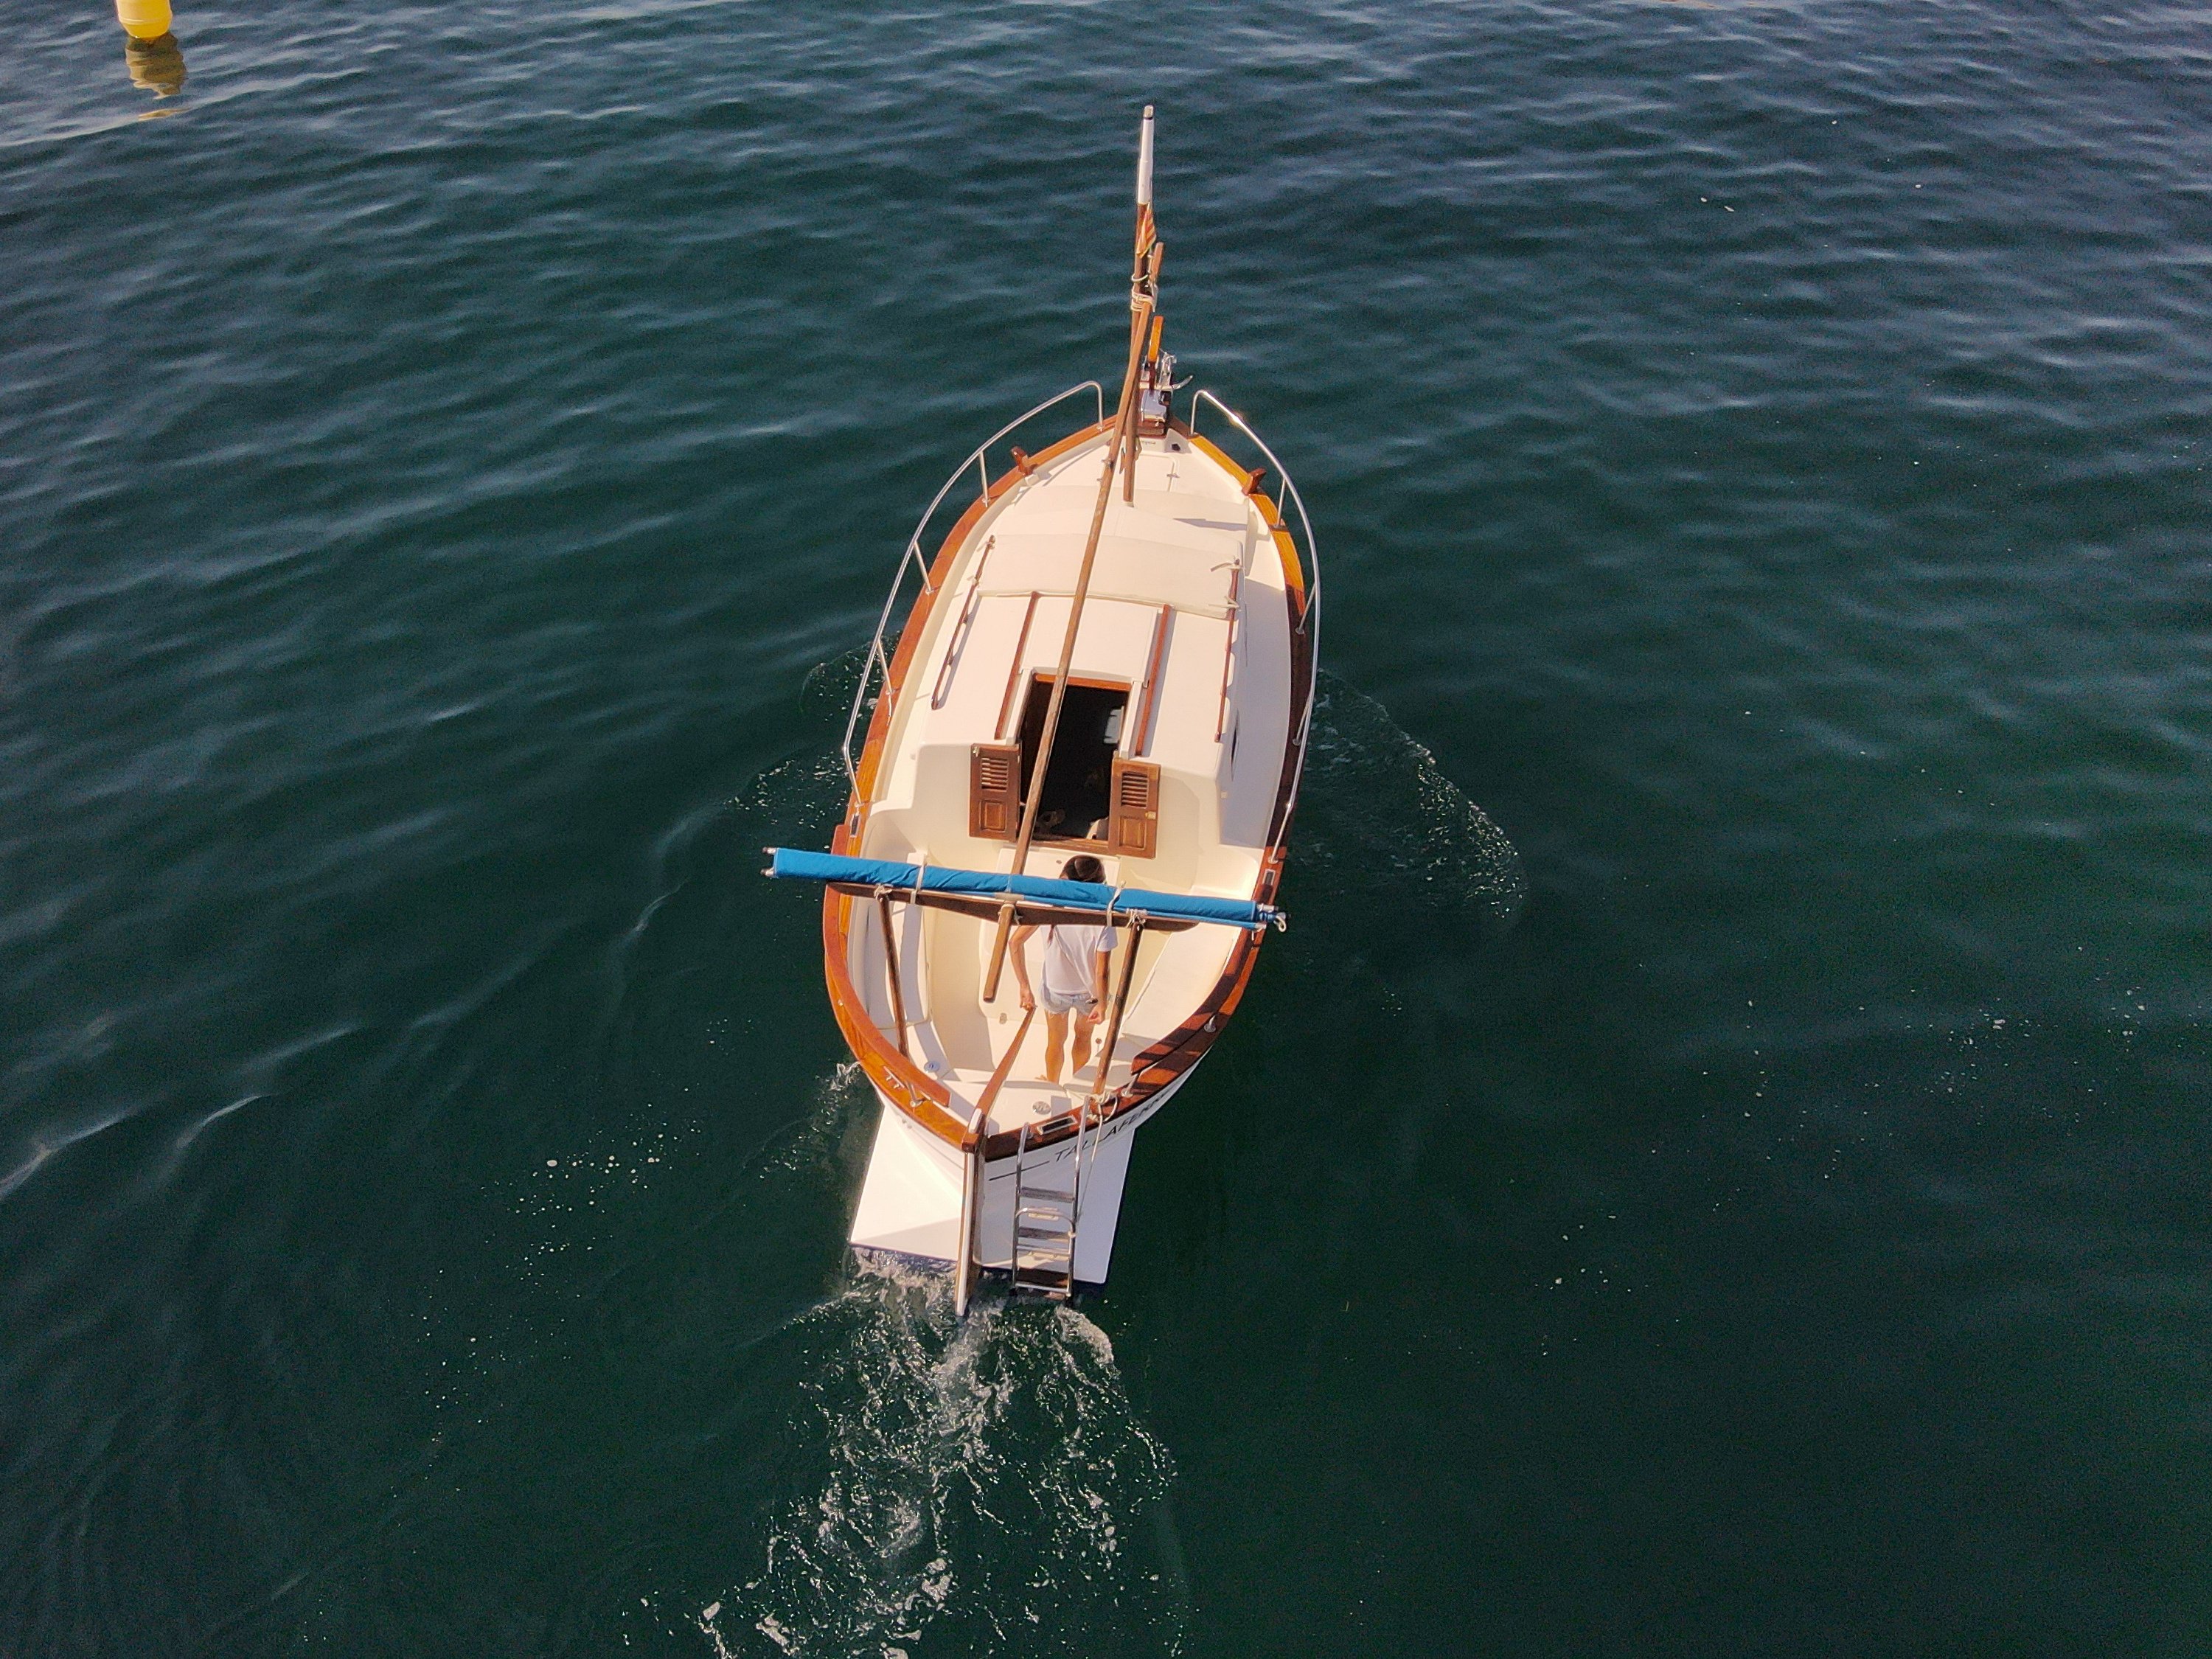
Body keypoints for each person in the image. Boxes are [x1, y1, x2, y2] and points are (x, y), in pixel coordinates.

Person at [1009, 854, 1119, 1085]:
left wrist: (1024, 987)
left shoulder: (1049, 905)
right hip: (1089, 995)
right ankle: (1078, 1086)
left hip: (1055, 991)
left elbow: (1014, 943)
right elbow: (1102, 971)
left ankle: (1052, 1083)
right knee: (1083, 1039)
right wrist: (1102, 1004)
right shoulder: (1103, 917)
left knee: (1055, 1041)